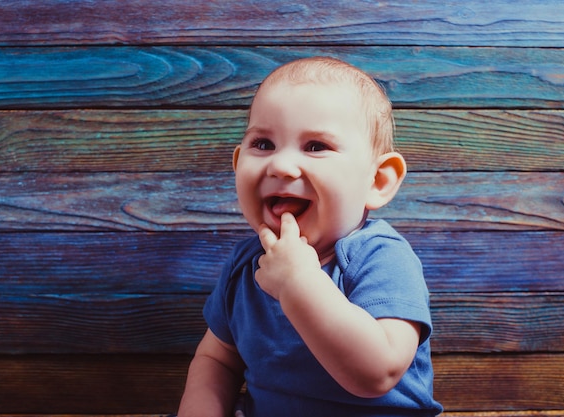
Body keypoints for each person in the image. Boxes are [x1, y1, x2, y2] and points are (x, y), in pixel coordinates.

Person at [177, 56, 443, 417]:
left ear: (377, 181)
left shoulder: (381, 259)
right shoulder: (246, 264)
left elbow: (377, 373)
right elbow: (217, 359)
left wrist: (297, 284)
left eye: (316, 146)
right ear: (238, 164)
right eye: (264, 144)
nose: (281, 165)